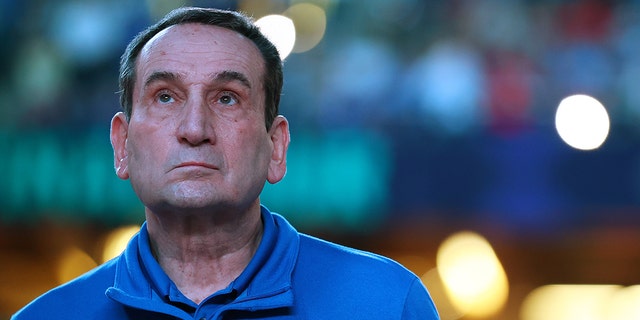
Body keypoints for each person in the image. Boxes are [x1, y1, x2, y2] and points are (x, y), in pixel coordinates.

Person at [12, 7, 439, 319]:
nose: (195, 128)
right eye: (165, 96)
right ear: (122, 145)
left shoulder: (387, 302)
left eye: (227, 98)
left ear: (276, 147)